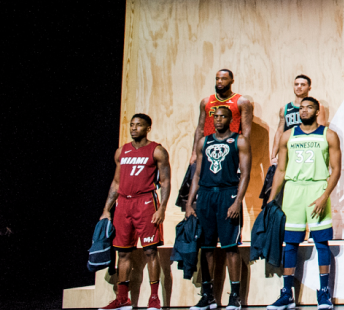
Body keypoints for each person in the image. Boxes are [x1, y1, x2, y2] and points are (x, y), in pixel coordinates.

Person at [268, 98, 342, 310]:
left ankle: (324, 292)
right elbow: (281, 170)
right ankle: (287, 294)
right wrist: (273, 199)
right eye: (301, 108)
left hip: (317, 188)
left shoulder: (328, 135)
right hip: (293, 190)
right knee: (290, 243)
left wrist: (324, 196)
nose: (304, 110)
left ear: (317, 111)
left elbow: (336, 170)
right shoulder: (287, 135)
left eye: (309, 107)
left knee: (321, 242)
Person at [100, 114, 172, 310]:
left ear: (148, 128)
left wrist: (162, 208)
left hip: (146, 202)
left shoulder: (157, 151)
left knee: (150, 251)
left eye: (139, 125)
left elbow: (165, 182)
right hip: (123, 204)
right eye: (132, 125)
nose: (134, 128)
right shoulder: (121, 151)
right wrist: (107, 209)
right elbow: (116, 182)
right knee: (122, 253)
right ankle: (122, 299)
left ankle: (154, 299)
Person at [185, 105, 251, 310]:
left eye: (223, 116)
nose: (218, 119)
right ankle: (208, 295)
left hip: (227, 193)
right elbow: (196, 174)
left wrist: (237, 201)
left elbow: (246, 174)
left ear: (230, 119)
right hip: (205, 195)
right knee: (206, 247)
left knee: (230, 247)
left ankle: (235, 297)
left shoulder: (239, 140)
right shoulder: (204, 141)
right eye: (215, 116)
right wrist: (189, 202)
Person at [191, 69, 255, 165]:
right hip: (208, 147)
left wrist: (242, 153)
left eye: (224, 79)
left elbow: (246, 131)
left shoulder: (241, 102)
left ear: (232, 81)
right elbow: (200, 129)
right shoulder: (206, 102)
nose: (219, 81)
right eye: (217, 79)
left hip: (230, 148)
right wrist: (194, 153)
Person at [272, 75, 328, 163]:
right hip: (289, 150)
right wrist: (273, 156)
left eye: (302, 84)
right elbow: (279, 132)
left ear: (309, 88)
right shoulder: (285, 108)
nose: (299, 87)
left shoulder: (318, 107)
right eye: (296, 84)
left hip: (308, 151)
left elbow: (321, 131)